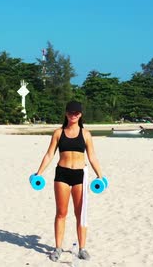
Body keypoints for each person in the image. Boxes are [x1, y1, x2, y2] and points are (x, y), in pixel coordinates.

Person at [34, 101, 103, 262]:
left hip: (80, 175)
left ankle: (82, 248)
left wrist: (100, 175)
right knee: (61, 213)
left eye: (77, 112)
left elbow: (92, 156)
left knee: (80, 214)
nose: (74, 115)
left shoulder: (86, 134)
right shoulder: (58, 133)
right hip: (62, 175)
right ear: (66, 113)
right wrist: (39, 173)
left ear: (81, 114)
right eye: (71, 112)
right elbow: (50, 154)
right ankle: (58, 248)